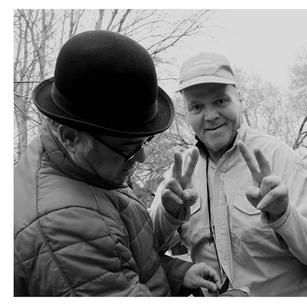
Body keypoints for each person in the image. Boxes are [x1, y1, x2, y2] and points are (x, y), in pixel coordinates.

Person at [14, 31, 221, 296]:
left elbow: (118, 261)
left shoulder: (83, 167)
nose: (141, 158)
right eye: (128, 148)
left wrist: (178, 273)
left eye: (143, 142)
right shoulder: (65, 226)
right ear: (70, 137)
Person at [149, 52, 307, 296]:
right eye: (197, 107)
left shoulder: (279, 158)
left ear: (240, 100)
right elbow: (140, 250)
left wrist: (284, 214)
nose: (210, 116)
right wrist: (169, 214)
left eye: (220, 101)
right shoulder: (180, 173)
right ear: (187, 113)